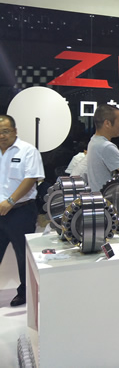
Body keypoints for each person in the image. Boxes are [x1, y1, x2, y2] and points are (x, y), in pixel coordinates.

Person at [0, 115, 45, 307]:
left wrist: (10, 201)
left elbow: (31, 178)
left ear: (15, 131)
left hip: (21, 211)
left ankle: (25, 292)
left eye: (5, 131)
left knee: (22, 255)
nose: (2, 136)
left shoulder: (28, 150)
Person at [87, 105, 119, 192]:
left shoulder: (93, 141)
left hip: (97, 195)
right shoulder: (106, 146)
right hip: (107, 198)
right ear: (107, 123)